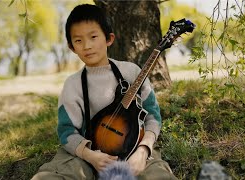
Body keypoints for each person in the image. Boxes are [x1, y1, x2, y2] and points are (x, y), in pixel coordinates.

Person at [31, 4, 176, 180]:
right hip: (86, 154)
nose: (86, 46)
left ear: (109, 39)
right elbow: (66, 131)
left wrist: (144, 150)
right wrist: (90, 156)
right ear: (71, 47)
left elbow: (152, 116)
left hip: (136, 147)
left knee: (157, 175)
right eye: (78, 41)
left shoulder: (131, 72)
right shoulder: (72, 85)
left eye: (93, 37)